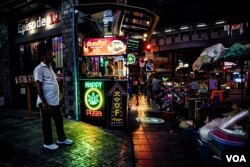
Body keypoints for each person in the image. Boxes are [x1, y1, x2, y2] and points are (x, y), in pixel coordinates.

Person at [33, 49, 73, 150]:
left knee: (59, 120)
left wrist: (60, 95)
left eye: (51, 55)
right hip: (46, 102)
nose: (52, 56)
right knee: (46, 122)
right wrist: (44, 102)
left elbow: (53, 83)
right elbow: (38, 86)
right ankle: (48, 142)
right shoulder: (39, 69)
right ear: (43, 56)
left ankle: (61, 139)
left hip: (54, 101)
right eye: (49, 55)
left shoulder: (50, 68)